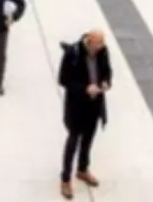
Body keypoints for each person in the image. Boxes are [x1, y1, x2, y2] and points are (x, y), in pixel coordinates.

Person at [58, 31, 113, 200]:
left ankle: (82, 169)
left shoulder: (103, 51)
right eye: (96, 46)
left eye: (101, 46)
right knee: (73, 141)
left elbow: (107, 71)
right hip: (77, 107)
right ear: (89, 42)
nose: (98, 49)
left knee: (88, 139)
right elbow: (63, 80)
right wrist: (84, 89)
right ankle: (65, 178)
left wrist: (105, 82)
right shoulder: (73, 54)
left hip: (94, 105)